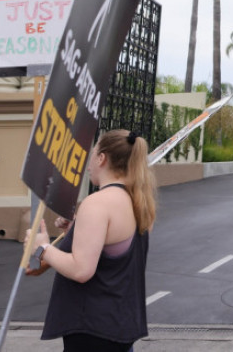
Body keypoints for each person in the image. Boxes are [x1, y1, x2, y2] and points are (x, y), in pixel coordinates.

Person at [27, 129, 157, 352]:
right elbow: (110, 253)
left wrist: (42, 247)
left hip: (92, 328)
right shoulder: (137, 201)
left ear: (102, 158)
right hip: (120, 325)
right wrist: (74, 231)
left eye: (93, 153)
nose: (88, 164)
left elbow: (81, 269)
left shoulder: (97, 203)